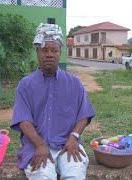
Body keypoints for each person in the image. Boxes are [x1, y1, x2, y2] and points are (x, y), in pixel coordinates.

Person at [10, 22, 95, 180]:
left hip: (68, 145)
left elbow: (84, 114)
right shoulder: (25, 84)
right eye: (44, 50)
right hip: (35, 146)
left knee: (75, 175)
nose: (49, 54)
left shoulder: (74, 83)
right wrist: (40, 145)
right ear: (37, 52)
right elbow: (23, 120)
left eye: (54, 50)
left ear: (60, 52)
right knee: (43, 176)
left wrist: (74, 137)